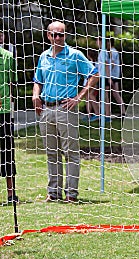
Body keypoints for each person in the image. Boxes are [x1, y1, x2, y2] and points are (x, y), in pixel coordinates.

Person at [32, 21, 99, 203]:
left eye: (61, 34)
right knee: (51, 153)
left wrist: (79, 97)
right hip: (46, 109)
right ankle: (53, 193)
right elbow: (37, 79)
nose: (57, 38)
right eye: (54, 35)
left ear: (65, 36)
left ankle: (71, 194)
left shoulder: (75, 55)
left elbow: (94, 73)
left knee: (70, 153)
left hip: (65, 109)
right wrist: (35, 96)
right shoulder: (44, 56)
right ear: (48, 36)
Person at [0, 46, 18, 204]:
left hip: (3, 111)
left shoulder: (8, 57)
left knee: (7, 152)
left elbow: (12, 83)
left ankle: (11, 194)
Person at [109, 37, 126, 116]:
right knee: (115, 93)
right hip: (115, 75)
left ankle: (122, 112)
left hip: (113, 75)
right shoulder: (113, 51)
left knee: (115, 93)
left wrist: (108, 74)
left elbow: (112, 64)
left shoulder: (112, 51)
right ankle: (122, 111)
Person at [82, 49, 100, 122]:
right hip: (89, 82)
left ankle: (97, 113)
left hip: (90, 83)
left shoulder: (91, 63)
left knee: (91, 97)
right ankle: (89, 115)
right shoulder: (96, 62)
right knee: (88, 98)